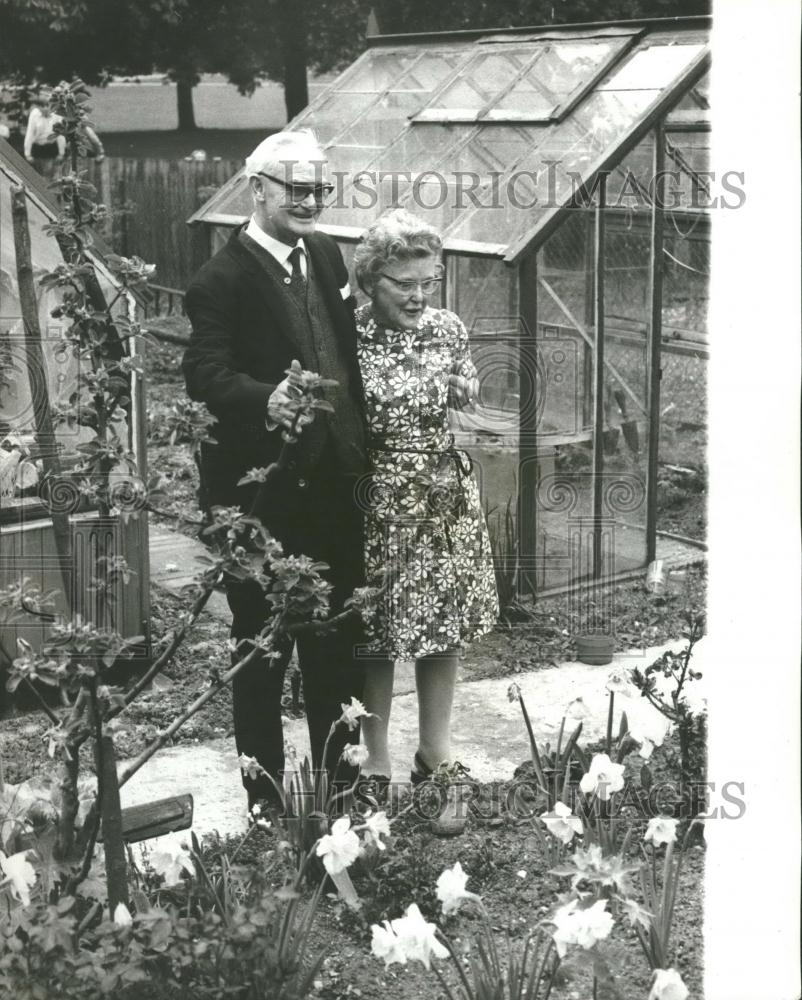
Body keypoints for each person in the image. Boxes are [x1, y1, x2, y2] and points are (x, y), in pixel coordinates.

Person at [182, 130, 369, 809]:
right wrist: (269, 399)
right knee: (261, 652)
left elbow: (344, 353)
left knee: (336, 644)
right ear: (256, 188)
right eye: (298, 189)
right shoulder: (220, 281)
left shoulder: (321, 251)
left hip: (333, 492)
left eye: (321, 188)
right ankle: (264, 804)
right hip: (260, 501)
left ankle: (341, 795)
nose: (312, 201)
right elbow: (204, 372)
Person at [353, 209, 499, 835]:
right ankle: (374, 764)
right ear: (370, 281)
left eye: (428, 282)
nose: (418, 296)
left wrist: (465, 386)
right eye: (403, 283)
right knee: (377, 629)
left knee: (441, 625)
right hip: (378, 496)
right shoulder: (347, 334)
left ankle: (434, 754)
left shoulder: (447, 327)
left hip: (443, 492)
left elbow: (461, 380)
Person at [23, 91, 104, 175]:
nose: (45, 109)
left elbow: (61, 134)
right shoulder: (35, 114)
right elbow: (30, 134)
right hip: (40, 147)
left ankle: (96, 154)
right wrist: (27, 153)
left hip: (57, 145)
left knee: (56, 171)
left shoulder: (61, 114)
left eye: (47, 106)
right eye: (42, 106)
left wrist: (61, 153)